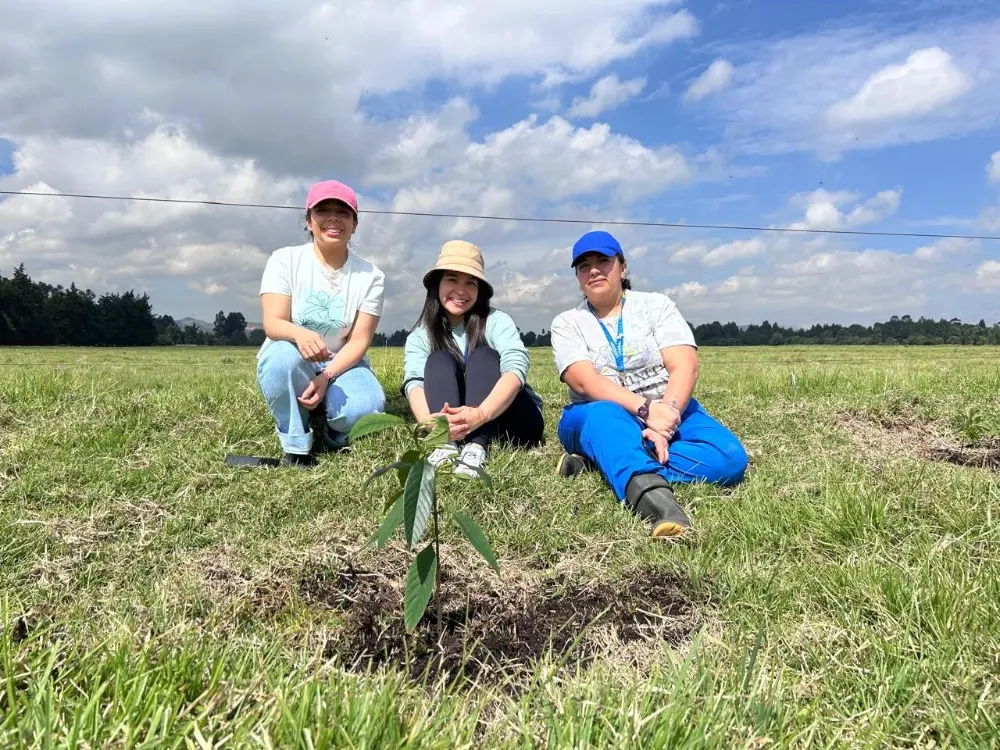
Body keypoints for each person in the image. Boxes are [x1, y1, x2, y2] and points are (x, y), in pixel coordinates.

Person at [550, 230, 747, 537]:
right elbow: (584, 381)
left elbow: (684, 364)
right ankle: (659, 505)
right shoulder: (567, 322)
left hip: (668, 405)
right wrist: (645, 410)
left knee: (729, 459)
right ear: (577, 276)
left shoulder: (656, 306)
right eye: (584, 265)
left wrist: (665, 416)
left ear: (622, 267)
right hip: (595, 414)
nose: (594, 270)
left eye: (604, 260)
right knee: (605, 415)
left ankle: (606, 459)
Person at [255, 180, 386, 466]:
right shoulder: (284, 260)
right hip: (293, 354)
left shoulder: (371, 276)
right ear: (308, 221)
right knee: (280, 362)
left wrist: (326, 377)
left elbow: (360, 340)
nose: (333, 218)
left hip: (343, 361)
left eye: (343, 212)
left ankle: (335, 433)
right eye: (322, 210)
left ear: (355, 223)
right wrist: (300, 335)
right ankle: (296, 439)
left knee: (366, 408)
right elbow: (273, 323)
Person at [402, 240, 544, 477]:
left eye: (470, 282)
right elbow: (414, 383)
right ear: (437, 284)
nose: (461, 290)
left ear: (480, 291)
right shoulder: (421, 335)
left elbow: (516, 366)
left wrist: (480, 415)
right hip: (453, 419)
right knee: (437, 359)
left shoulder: (496, 320)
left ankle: (477, 446)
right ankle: (446, 445)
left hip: (512, 418)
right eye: (452, 279)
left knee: (484, 355)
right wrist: (431, 425)